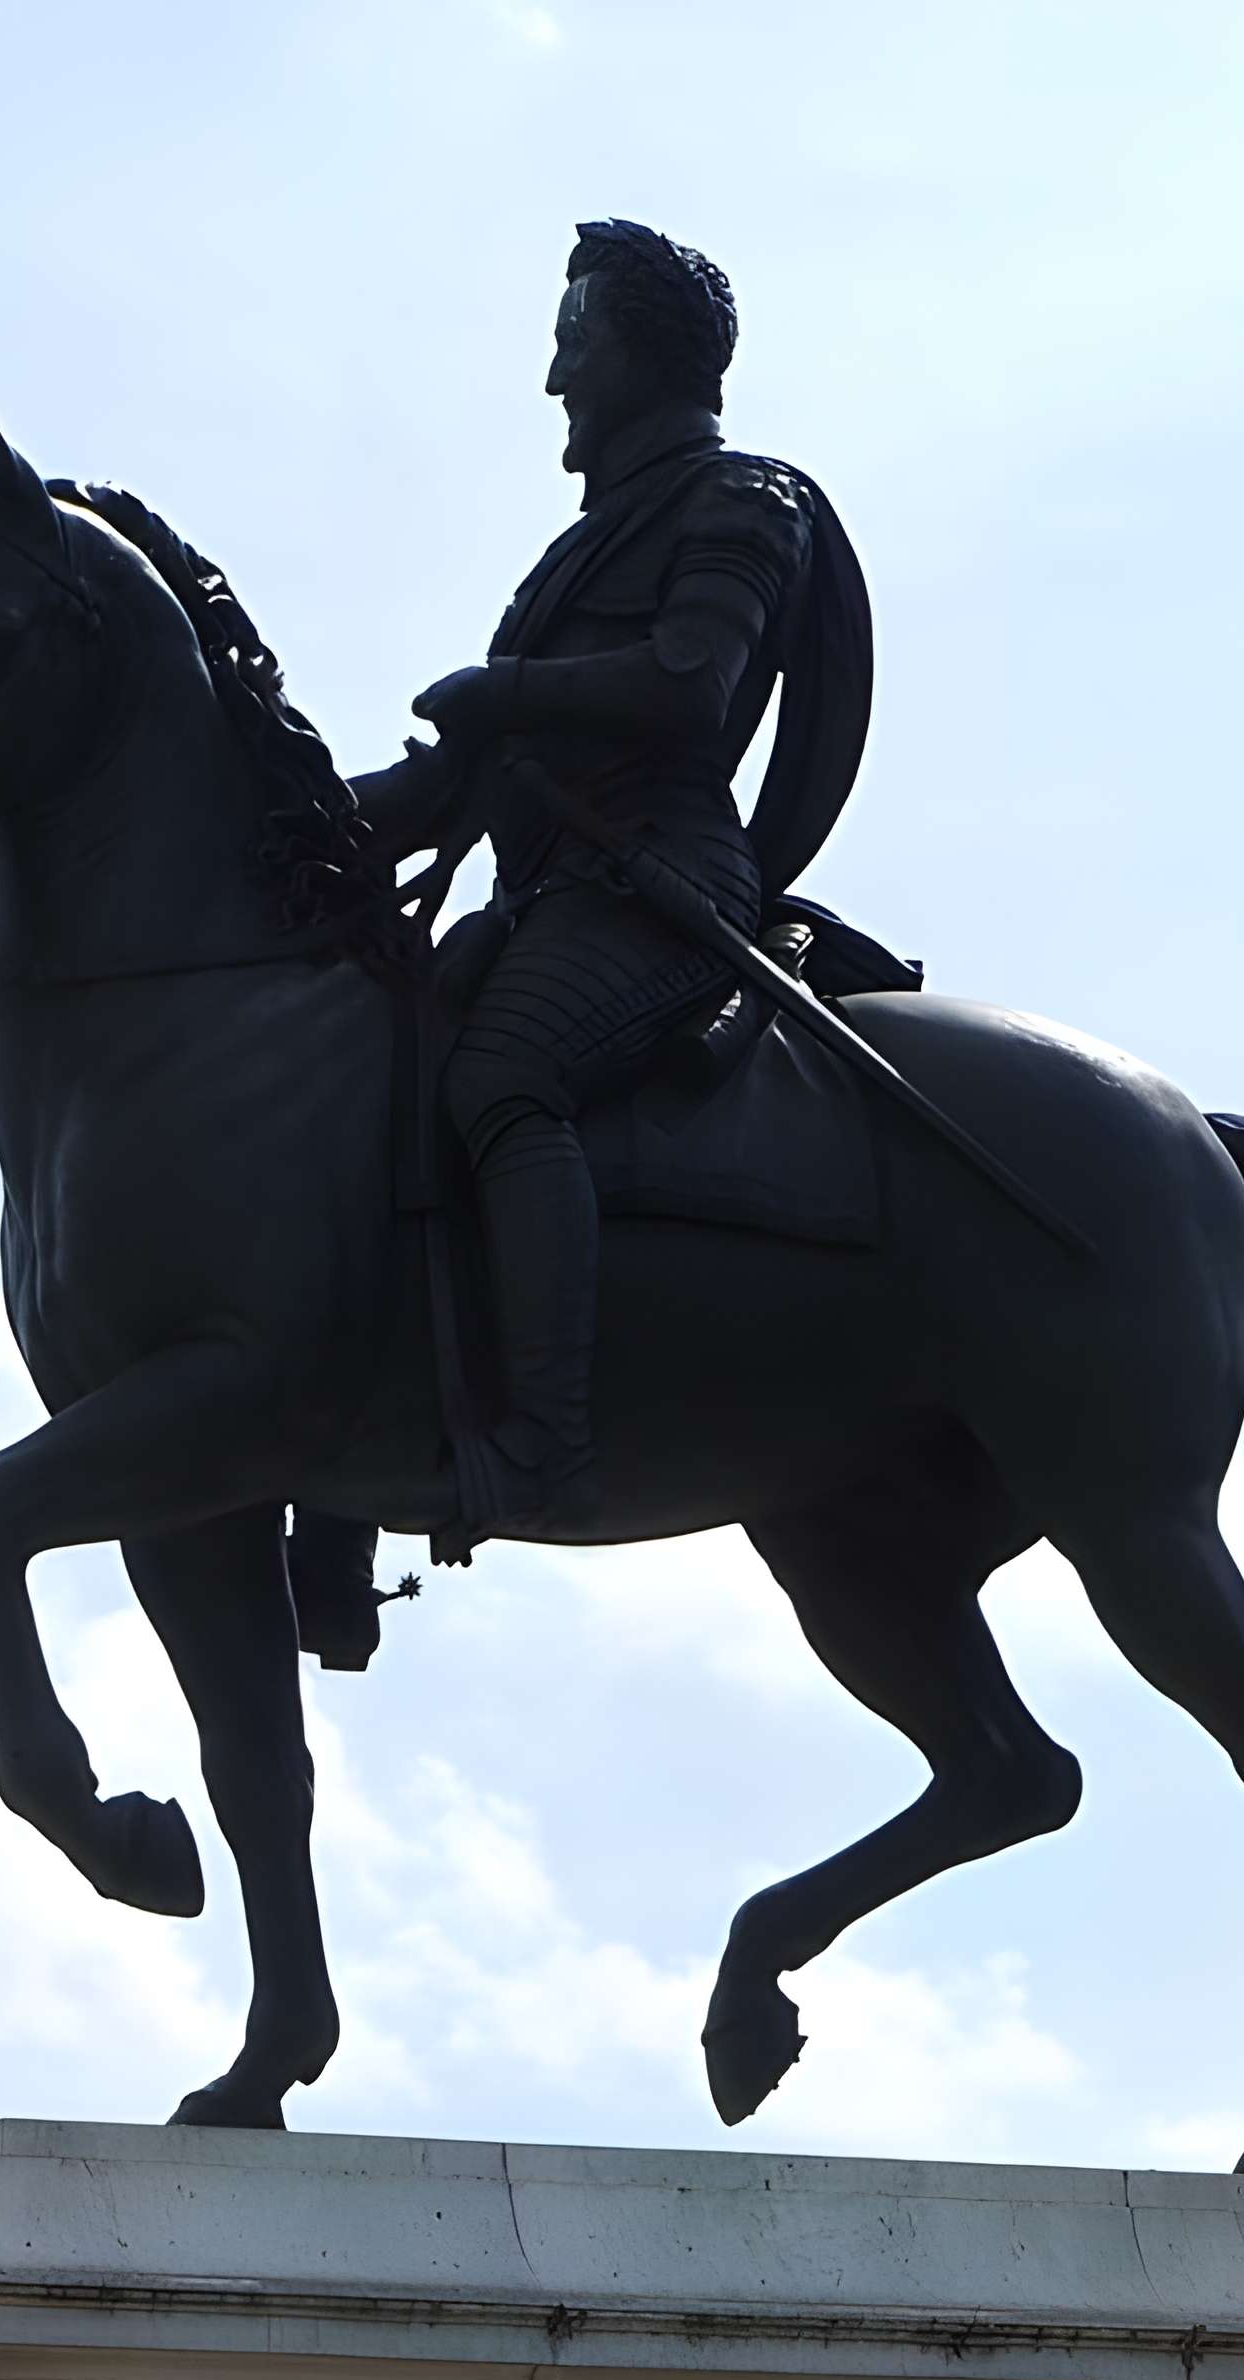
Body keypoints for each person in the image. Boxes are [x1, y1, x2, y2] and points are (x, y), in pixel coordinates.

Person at [353, 219, 872, 1539]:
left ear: (645, 354)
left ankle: (546, 1447)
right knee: (357, 1085)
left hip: (663, 891)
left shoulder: (743, 501)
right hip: (553, 897)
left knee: (502, 1076)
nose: (553, 381)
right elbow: (467, 778)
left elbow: (693, 687)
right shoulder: (576, 553)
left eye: (573, 344)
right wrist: (291, 810)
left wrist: (503, 689)